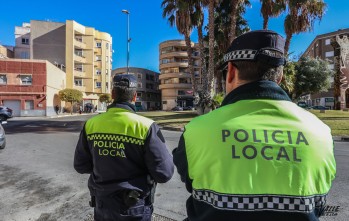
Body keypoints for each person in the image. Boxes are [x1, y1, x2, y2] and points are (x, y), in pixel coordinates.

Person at [173, 30, 336, 221]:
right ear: (280, 76)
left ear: (232, 71)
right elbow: (319, 205)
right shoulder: (321, 132)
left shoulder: (196, 130)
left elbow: (191, 183)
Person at [74, 74, 174, 221]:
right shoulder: (146, 126)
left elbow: (81, 166)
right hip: (134, 208)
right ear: (134, 97)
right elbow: (164, 173)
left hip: (102, 206)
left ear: (113, 94)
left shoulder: (91, 125)